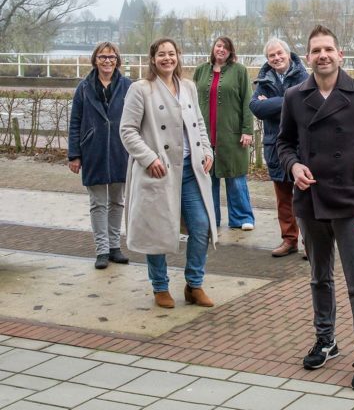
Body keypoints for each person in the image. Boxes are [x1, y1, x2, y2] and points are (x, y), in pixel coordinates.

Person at [277, 25, 354, 391]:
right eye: (316, 50)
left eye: (328, 49)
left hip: (352, 203)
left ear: (340, 54)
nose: (322, 55)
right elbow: (284, 143)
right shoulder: (295, 95)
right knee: (319, 277)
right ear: (307, 57)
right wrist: (293, 166)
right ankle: (326, 340)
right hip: (309, 202)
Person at [120, 38, 218, 309]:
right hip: (158, 171)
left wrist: (207, 152)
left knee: (201, 226)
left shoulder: (188, 86)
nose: (167, 58)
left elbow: (198, 122)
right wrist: (149, 157)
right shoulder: (141, 89)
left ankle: (194, 284)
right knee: (157, 230)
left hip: (190, 170)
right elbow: (127, 130)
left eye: (171, 53)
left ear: (178, 56)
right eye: (161, 54)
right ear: (152, 59)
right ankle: (160, 286)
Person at [68, 41, 131, 269]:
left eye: (111, 57)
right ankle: (102, 250)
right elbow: (75, 121)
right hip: (93, 149)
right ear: (95, 59)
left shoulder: (127, 86)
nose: (107, 61)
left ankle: (115, 246)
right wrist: (74, 154)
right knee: (98, 203)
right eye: (103, 57)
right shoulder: (84, 87)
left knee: (117, 201)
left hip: (119, 149)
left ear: (117, 60)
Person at [250, 38, 309, 257]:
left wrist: (272, 102)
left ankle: (310, 242)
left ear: (287, 53)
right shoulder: (264, 80)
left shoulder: (304, 76)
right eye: (271, 55)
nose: (276, 58)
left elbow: (305, 104)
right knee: (283, 198)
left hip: (300, 146)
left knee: (305, 198)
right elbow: (256, 107)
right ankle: (289, 240)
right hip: (275, 145)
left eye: (279, 53)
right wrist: (287, 101)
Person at [193, 37, 255, 230]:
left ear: (231, 52)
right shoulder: (201, 71)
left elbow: (248, 101)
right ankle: (211, 218)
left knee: (235, 176)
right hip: (205, 134)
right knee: (208, 177)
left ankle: (242, 218)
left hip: (231, 133)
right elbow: (192, 101)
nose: (221, 50)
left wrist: (247, 130)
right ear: (213, 48)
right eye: (218, 46)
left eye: (225, 48)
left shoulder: (240, 71)